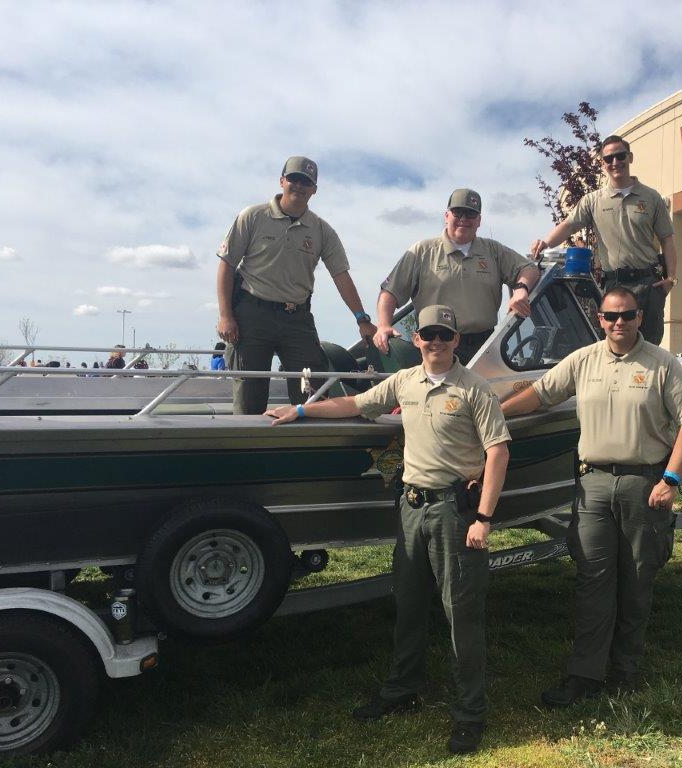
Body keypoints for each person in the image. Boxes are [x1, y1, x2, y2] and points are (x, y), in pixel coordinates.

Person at [265, 304, 510, 755]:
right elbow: (356, 404)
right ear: (415, 339)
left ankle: (469, 713)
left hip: (455, 513)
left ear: (456, 340)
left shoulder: (475, 389)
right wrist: (301, 410)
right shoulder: (404, 381)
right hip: (411, 508)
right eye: (428, 335)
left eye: (444, 335)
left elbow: (498, 453)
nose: (435, 342)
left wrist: (484, 519)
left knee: (462, 616)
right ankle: (403, 690)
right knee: (409, 605)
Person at [502, 287, 682, 705]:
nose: (619, 323)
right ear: (599, 318)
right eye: (611, 316)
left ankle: (625, 673)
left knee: (635, 580)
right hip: (592, 484)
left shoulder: (662, 364)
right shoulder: (583, 360)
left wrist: (671, 478)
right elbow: (541, 394)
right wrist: (495, 412)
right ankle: (585, 675)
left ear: (638, 317)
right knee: (592, 581)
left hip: (643, 485)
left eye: (627, 315)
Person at [216, 156, 377, 414]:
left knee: (312, 388)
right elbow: (226, 264)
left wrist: (362, 318)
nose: (299, 186)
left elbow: (341, 276)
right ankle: (246, 448)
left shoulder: (322, 230)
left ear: (315, 189)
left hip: (296, 316)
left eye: (307, 182)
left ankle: (304, 447)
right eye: (294, 179)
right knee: (250, 392)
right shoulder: (253, 216)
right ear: (282, 181)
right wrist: (225, 315)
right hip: (252, 314)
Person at [529, 135, 677, 345]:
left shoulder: (651, 197)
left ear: (630, 157)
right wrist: (546, 243)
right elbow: (569, 224)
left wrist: (671, 278)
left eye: (620, 156)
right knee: (614, 346)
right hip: (613, 285)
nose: (615, 162)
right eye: (609, 159)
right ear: (603, 164)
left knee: (649, 347)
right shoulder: (593, 200)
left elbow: (667, 239)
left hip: (648, 284)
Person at [374, 188, 541, 364]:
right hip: (436, 344)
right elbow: (390, 291)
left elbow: (530, 269)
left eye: (470, 214)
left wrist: (521, 289)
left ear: (479, 220)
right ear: (447, 216)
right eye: (458, 212)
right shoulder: (422, 251)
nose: (463, 219)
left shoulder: (493, 250)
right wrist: (384, 325)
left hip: (485, 346)